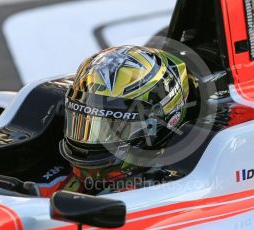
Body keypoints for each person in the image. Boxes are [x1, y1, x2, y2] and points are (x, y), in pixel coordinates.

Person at [36, 45, 199, 197]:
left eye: (111, 128)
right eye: (85, 124)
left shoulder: (166, 189)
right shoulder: (68, 179)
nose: (88, 141)